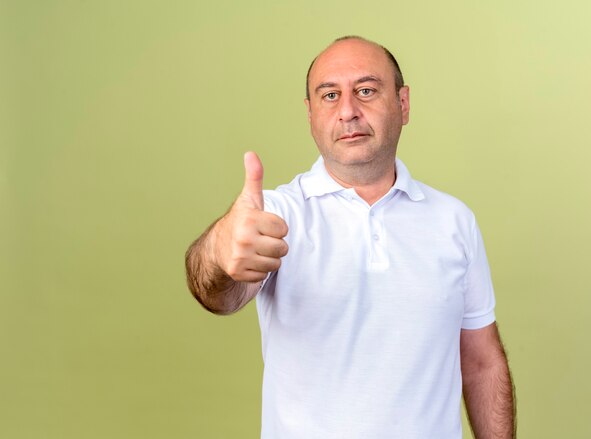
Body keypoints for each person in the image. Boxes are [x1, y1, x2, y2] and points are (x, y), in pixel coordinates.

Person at [185, 36, 516, 438]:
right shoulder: (276, 215)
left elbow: (482, 362)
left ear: (403, 103)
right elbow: (218, 294)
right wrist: (220, 249)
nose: (347, 111)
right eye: (329, 95)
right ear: (310, 114)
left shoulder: (454, 221)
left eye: (366, 91)